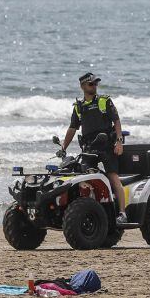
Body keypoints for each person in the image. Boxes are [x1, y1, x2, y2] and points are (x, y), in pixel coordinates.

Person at [60, 72, 127, 223]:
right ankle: (92, 210)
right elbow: (72, 128)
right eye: (91, 84)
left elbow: (116, 121)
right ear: (82, 86)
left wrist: (119, 141)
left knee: (113, 176)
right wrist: (63, 147)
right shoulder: (78, 107)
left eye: (96, 83)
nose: (94, 86)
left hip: (107, 147)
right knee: (81, 177)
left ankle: (122, 213)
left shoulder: (105, 101)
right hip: (89, 149)